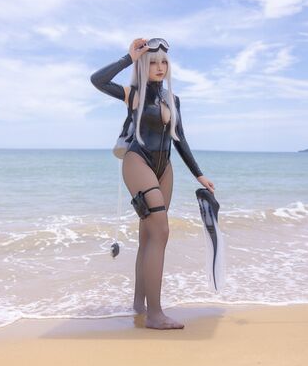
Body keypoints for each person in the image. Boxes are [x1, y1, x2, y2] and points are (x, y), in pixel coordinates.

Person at [90, 37, 215, 329]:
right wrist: (128, 58)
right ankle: (155, 315)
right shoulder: (133, 94)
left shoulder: (173, 100)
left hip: (164, 167)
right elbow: (97, 80)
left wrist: (199, 174)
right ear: (144, 65)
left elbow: (180, 139)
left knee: (149, 237)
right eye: (153, 62)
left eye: (164, 62)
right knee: (161, 231)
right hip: (138, 162)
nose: (159, 67)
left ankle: (140, 305)